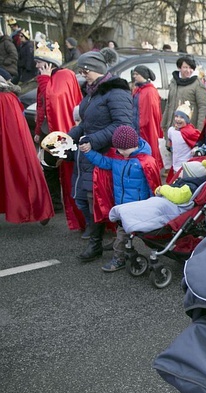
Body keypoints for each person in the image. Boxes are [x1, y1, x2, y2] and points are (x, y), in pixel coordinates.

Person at [68, 48, 134, 262]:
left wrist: (93, 140)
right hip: (89, 153)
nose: (81, 74)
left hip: (106, 155)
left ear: (94, 69)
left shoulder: (116, 92)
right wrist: (69, 136)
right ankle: (104, 237)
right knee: (85, 198)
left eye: (83, 70)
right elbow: (87, 123)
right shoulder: (92, 91)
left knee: (94, 199)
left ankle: (96, 244)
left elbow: (123, 126)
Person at [78, 124, 160, 271]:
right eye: (118, 149)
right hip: (122, 207)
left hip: (137, 208)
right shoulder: (117, 158)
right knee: (123, 235)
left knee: (126, 236)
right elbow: (103, 162)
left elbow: (152, 185)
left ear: (134, 145)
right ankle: (124, 254)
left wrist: (153, 203)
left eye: (124, 149)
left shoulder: (145, 161)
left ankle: (120, 258)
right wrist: (89, 151)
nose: (121, 152)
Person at [33, 40, 84, 227]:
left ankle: (68, 206)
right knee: (48, 168)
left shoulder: (64, 75)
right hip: (48, 131)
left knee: (61, 168)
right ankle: (54, 203)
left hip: (61, 131)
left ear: (48, 63)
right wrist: (38, 131)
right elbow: (41, 107)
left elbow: (53, 101)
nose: (37, 65)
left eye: (39, 62)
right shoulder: (45, 78)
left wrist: (45, 80)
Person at [0, 76, 54, 224]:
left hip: (12, 144)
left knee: (19, 174)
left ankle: (37, 208)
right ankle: (39, 208)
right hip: (16, 144)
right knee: (22, 173)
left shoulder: (5, 99)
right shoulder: (10, 98)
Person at [161, 55, 206, 138]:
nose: (188, 70)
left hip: (188, 129)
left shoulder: (198, 84)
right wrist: (164, 124)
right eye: (185, 67)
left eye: (191, 68)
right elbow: (169, 104)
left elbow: (203, 107)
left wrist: (199, 130)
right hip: (172, 126)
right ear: (179, 68)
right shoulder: (173, 82)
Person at [131, 65, 164, 173]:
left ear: (143, 76)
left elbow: (151, 113)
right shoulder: (138, 89)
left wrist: (141, 124)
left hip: (145, 128)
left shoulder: (149, 91)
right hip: (137, 126)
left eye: (137, 74)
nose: (134, 76)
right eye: (134, 74)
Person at [166, 101, 201, 183]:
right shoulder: (171, 130)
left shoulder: (190, 132)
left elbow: (199, 141)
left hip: (185, 167)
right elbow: (171, 141)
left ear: (187, 120)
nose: (178, 119)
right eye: (176, 116)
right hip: (175, 164)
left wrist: (196, 149)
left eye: (182, 117)